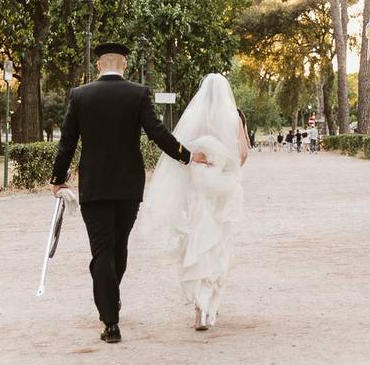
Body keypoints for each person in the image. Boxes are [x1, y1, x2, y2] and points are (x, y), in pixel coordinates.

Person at [50, 42, 207, 344]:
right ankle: (111, 301)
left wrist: (58, 179)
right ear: (124, 64)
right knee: (118, 247)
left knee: (102, 252)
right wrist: (187, 156)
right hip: (128, 187)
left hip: (94, 187)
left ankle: (110, 321)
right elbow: (158, 133)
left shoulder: (80, 95)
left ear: (99, 66)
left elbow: (67, 142)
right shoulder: (138, 93)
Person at [142, 73, 249, 331]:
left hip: (197, 193)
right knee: (217, 246)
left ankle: (199, 311)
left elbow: (181, 154)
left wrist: (200, 172)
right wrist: (226, 172)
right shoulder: (233, 117)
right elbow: (243, 153)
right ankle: (211, 308)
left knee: (197, 244)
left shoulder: (194, 117)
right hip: (221, 194)